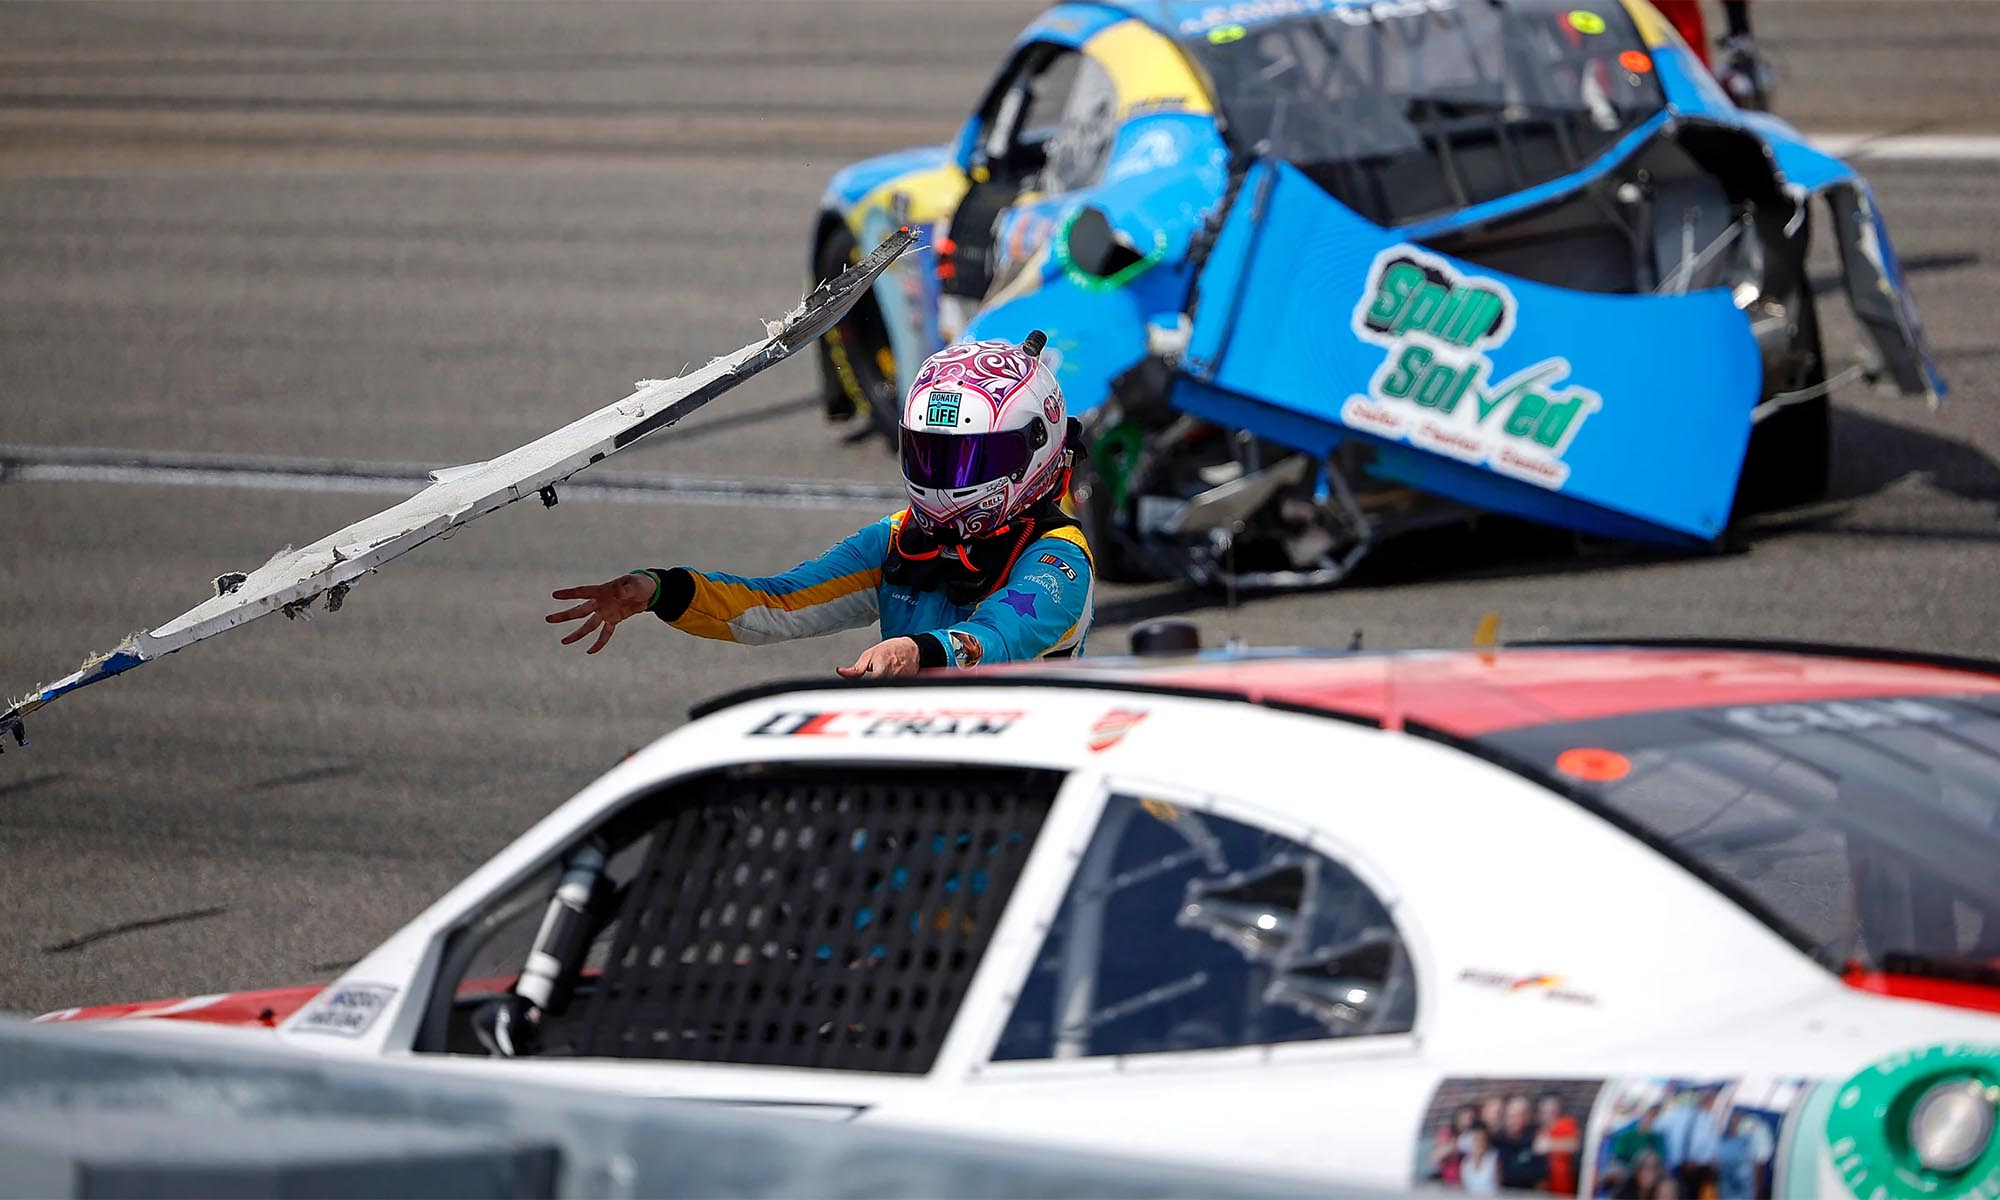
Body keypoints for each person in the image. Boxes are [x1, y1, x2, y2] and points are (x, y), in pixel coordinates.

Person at [546, 334, 1094, 675]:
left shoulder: (1059, 558)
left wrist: (916, 651)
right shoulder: (898, 540)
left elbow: (997, 638)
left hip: (1024, 791)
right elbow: (778, 604)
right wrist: (663, 589)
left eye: (969, 460)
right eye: (930, 456)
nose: (945, 481)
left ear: (1035, 448)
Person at [1493, 1093, 1550, 1192]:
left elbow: (1542, 1179)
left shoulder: (1535, 1139)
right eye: (1512, 1116)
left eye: (1520, 1115)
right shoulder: (1497, 1140)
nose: (1515, 1120)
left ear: (1527, 1117)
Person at [1536, 1092, 1583, 1196]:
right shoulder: (1541, 1128)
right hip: (1545, 1184)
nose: (1548, 1112)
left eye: (1552, 1108)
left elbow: (1574, 1145)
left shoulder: (1565, 1123)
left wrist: (1549, 1145)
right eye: (1545, 1109)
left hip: (1563, 1182)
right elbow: (1537, 1148)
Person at [1461, 1124, 1502, 1197]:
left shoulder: (1494, 1160)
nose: (1478, 1144)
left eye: (1481, 1141)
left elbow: (1498, 1187)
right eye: (1475, 1140)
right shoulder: (1465, 1163)